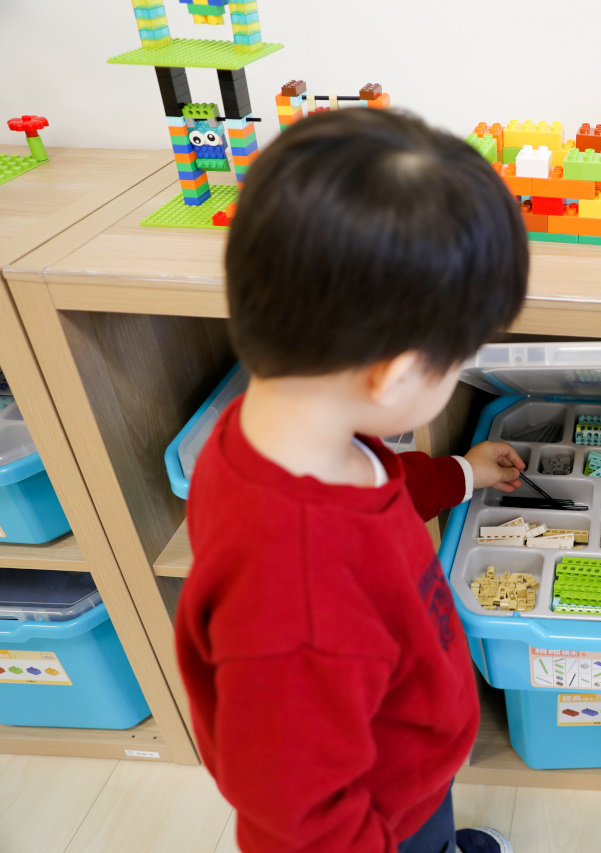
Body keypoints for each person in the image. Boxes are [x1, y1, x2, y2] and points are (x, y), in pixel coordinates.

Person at [174, 108, 529, 853]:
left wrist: (462, 473)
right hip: (378, 814)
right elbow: (297, 818)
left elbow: (381, 487)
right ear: (395, 374)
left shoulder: (281, 426)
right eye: (460, 356)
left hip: (407, 748)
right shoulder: (293, 599)